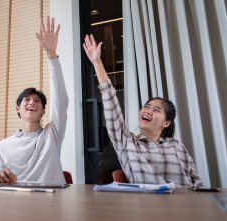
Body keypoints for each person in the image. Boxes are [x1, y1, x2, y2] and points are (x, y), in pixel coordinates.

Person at [83, 34, 203, 187]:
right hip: (149, 206)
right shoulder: (127, 143)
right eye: (146, 107)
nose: (148, 111)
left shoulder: (177, 146)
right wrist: (97, 62)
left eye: (156, 110)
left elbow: (197, 182)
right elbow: (110, 102)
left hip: (186, 205)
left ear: (166, 122)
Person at [0, 16, 69, 184]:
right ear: (17, 108)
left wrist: (52, 55)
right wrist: (0, 179)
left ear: (43, 111)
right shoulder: (2, 146)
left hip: (52, 203)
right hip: (17, 205)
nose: (32, 102)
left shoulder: (52, 135)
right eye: (26, 99)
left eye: (37, 101)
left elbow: (61, 102)